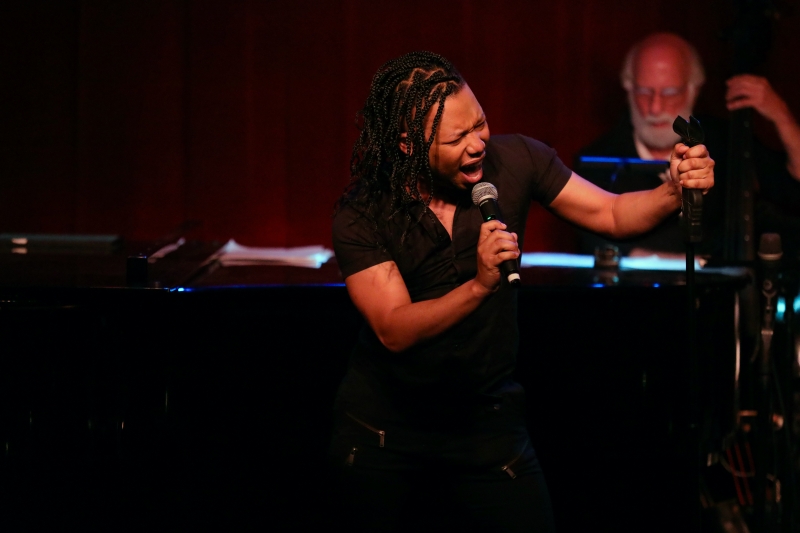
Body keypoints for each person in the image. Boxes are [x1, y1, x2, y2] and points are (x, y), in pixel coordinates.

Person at [330, 51, 714, 532]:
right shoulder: (364, 212)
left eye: (480, 124)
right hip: (385, 432)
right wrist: (479, 286)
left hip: (485, 422)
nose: (478, 144)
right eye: (458, 138)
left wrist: (673, 191)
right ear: (408, 144)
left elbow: (612, 215)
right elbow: (393, 329)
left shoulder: (517, 160)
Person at [576, 32, 800, 259]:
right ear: (628, 88)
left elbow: (794, 186)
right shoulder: (598, 159)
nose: (655, 108)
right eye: (644, 92)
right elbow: (598, 246)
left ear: (694, 89)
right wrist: (695, 268)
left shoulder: (726, 143)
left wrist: (780, 115)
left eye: (669, 93)